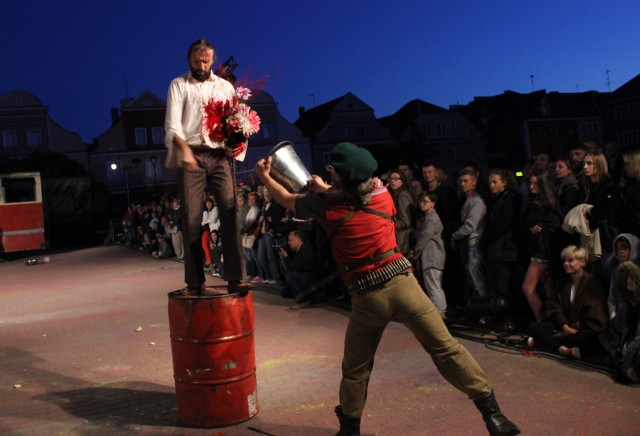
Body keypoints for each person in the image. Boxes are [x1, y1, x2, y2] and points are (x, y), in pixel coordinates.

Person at [255, 142, 520, 436]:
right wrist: (327, 188)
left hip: (367, 298)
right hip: (404, 285)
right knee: (446, 349)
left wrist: (268, 177)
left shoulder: (325, 205)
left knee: (356, 368)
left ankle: (350, 430)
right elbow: (354, 191)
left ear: (339, 177)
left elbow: (286, 197)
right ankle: (493, 414)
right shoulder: (383, 194)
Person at [164, 38, 250, 295]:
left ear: (213, 60)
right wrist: (186, 151)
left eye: (206, 60)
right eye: (196, 60)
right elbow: (171, 126)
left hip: (220, 155)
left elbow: (235, 121)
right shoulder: (178, 85)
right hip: (192, 155)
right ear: (189, 58)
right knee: (191, 217)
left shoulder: (225, 87)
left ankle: (236, 277)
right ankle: (195, 281)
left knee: (229, 210)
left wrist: (240, 136)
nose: (201, 65)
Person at [527, 245, 608, 359]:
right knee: (534, 326)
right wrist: (565, 327)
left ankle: (547, 342)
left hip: (580, 329)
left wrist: (571, 330)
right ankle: (563, 349)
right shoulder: (562, 281)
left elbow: (595, 314)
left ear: (582, 262)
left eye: (570, 260)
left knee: (588, 338)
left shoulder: (592, 283)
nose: (566, 263)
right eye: (564, 260)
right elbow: (554, 306)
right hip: (564, 326)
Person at [482, 169, 521, 326]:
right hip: (496, 248)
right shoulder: (496, 199)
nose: (491, 185)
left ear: (504, 183)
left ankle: (509, 318)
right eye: (490, 182)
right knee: (498, 285)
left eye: (494, 182)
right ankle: (501, 316)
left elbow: (502, 224)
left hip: (505, 248)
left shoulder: (509, 199)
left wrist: (486, 239)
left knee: (504, 286)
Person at [451, 167, 489, 300]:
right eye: (461, 181)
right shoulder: (467, 199)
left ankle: (485, 310)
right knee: (472, 277)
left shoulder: (476, 201)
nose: (462, 184)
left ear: (474, 182)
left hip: (474, 243)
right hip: (468, 243)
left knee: (476, 277)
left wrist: (455, 236)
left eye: (466, 181)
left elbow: (470, 226)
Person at [599, 261, 640, 382]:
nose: (629, 281)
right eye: (627, 278)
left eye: (632, 278)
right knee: (604, 337)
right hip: (630, 341)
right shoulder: (628, 303)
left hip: (637, 343)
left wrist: (627, 348)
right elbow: (623, 329)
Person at [413, 192, 447, 318]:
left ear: (432, 204)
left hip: (432, 256)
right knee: (434, 285)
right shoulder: (428, 218)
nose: (422, 204)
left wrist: (415, 254)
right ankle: (440, 311)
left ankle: (440, 312)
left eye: (425, 202)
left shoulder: (431, 219)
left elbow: (424, 238)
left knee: (433, 285)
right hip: (432, 255)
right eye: (420, 201)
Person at [277, 230, 317, 308]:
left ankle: (303, 301)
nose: (289, 243)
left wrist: (285, 257)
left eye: (290, 240)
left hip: (309, 277)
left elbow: (292, 268)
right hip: (303, 275)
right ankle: (305, 296)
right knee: (284, 292)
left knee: (290, 276)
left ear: (298, 240)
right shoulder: (297, 251)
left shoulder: (306, 249)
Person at [387, 169, 414, 254]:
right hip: (399, 236)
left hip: (403, 238)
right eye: (391, 179)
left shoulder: (402, 195)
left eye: (396, 179)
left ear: (402, 181)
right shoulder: (395, 194)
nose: (392, 181)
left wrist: (389, 225)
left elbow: (405, 221)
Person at [201, 197, 219, 270]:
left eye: (209, 203)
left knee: (207, 246)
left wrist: (203, 222)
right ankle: (213, 263)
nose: (208, 204)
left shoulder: (215, 209)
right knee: (212, 247)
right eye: (207, 203)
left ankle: (211, 262)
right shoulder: (208, 211)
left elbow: (213, 220)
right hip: (211, 230)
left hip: (215, 230)